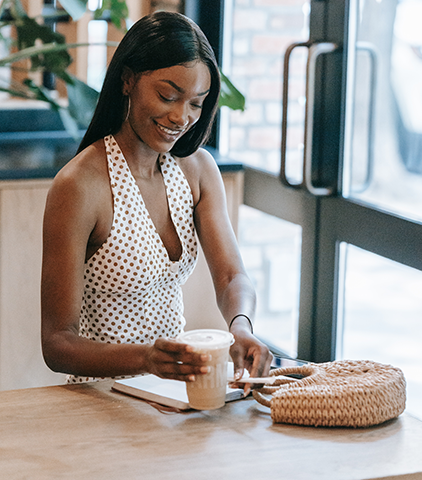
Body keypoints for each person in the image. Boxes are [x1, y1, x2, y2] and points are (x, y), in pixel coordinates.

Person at [41, 11, 272, 389]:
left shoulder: (196, 170)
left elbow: (232, 277)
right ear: (128, 80)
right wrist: (146, 358)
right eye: (168, 96)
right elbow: (57, 343)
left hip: (171, 394)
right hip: (99, 399)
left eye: (196, 103)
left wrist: (241, 327)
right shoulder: (79, 185)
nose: (181, 117)